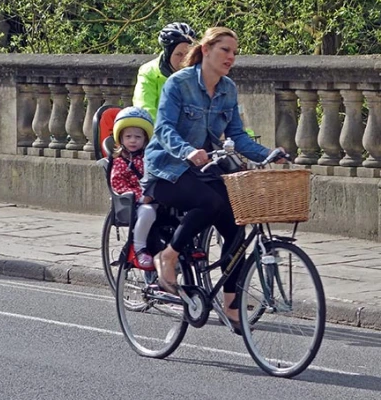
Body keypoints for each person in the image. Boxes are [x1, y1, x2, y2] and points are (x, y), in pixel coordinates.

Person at [143, 27, 284, 331]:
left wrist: (269, 154)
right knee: (209, 201)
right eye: (225, 50)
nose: (231, 57)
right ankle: (168, 257)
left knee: (236, 220)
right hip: (165, 169)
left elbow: (237, 137)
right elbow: (163, 129)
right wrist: (188, 151)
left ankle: (232, 306)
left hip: (201, 170)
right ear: (206, 50)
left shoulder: (228, 89)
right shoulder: (178, 84)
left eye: (235, 52)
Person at [110, 107, 158, 272]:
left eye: (138, 137)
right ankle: (139, 249)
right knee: (147, 212)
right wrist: (139, 196)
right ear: (121, 138)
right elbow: (117, 183)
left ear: (145, 139)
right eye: (128, 136)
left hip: (154, 196)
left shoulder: (149, 157)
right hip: (132, 202)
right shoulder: (120, 161)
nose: (133, 140)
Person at [132, 22, 197, 119]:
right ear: (168, 54)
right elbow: (144, 111)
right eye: (178, 54)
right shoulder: (149, 72)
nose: (184, 59)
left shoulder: (198, 72)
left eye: (188, 54)